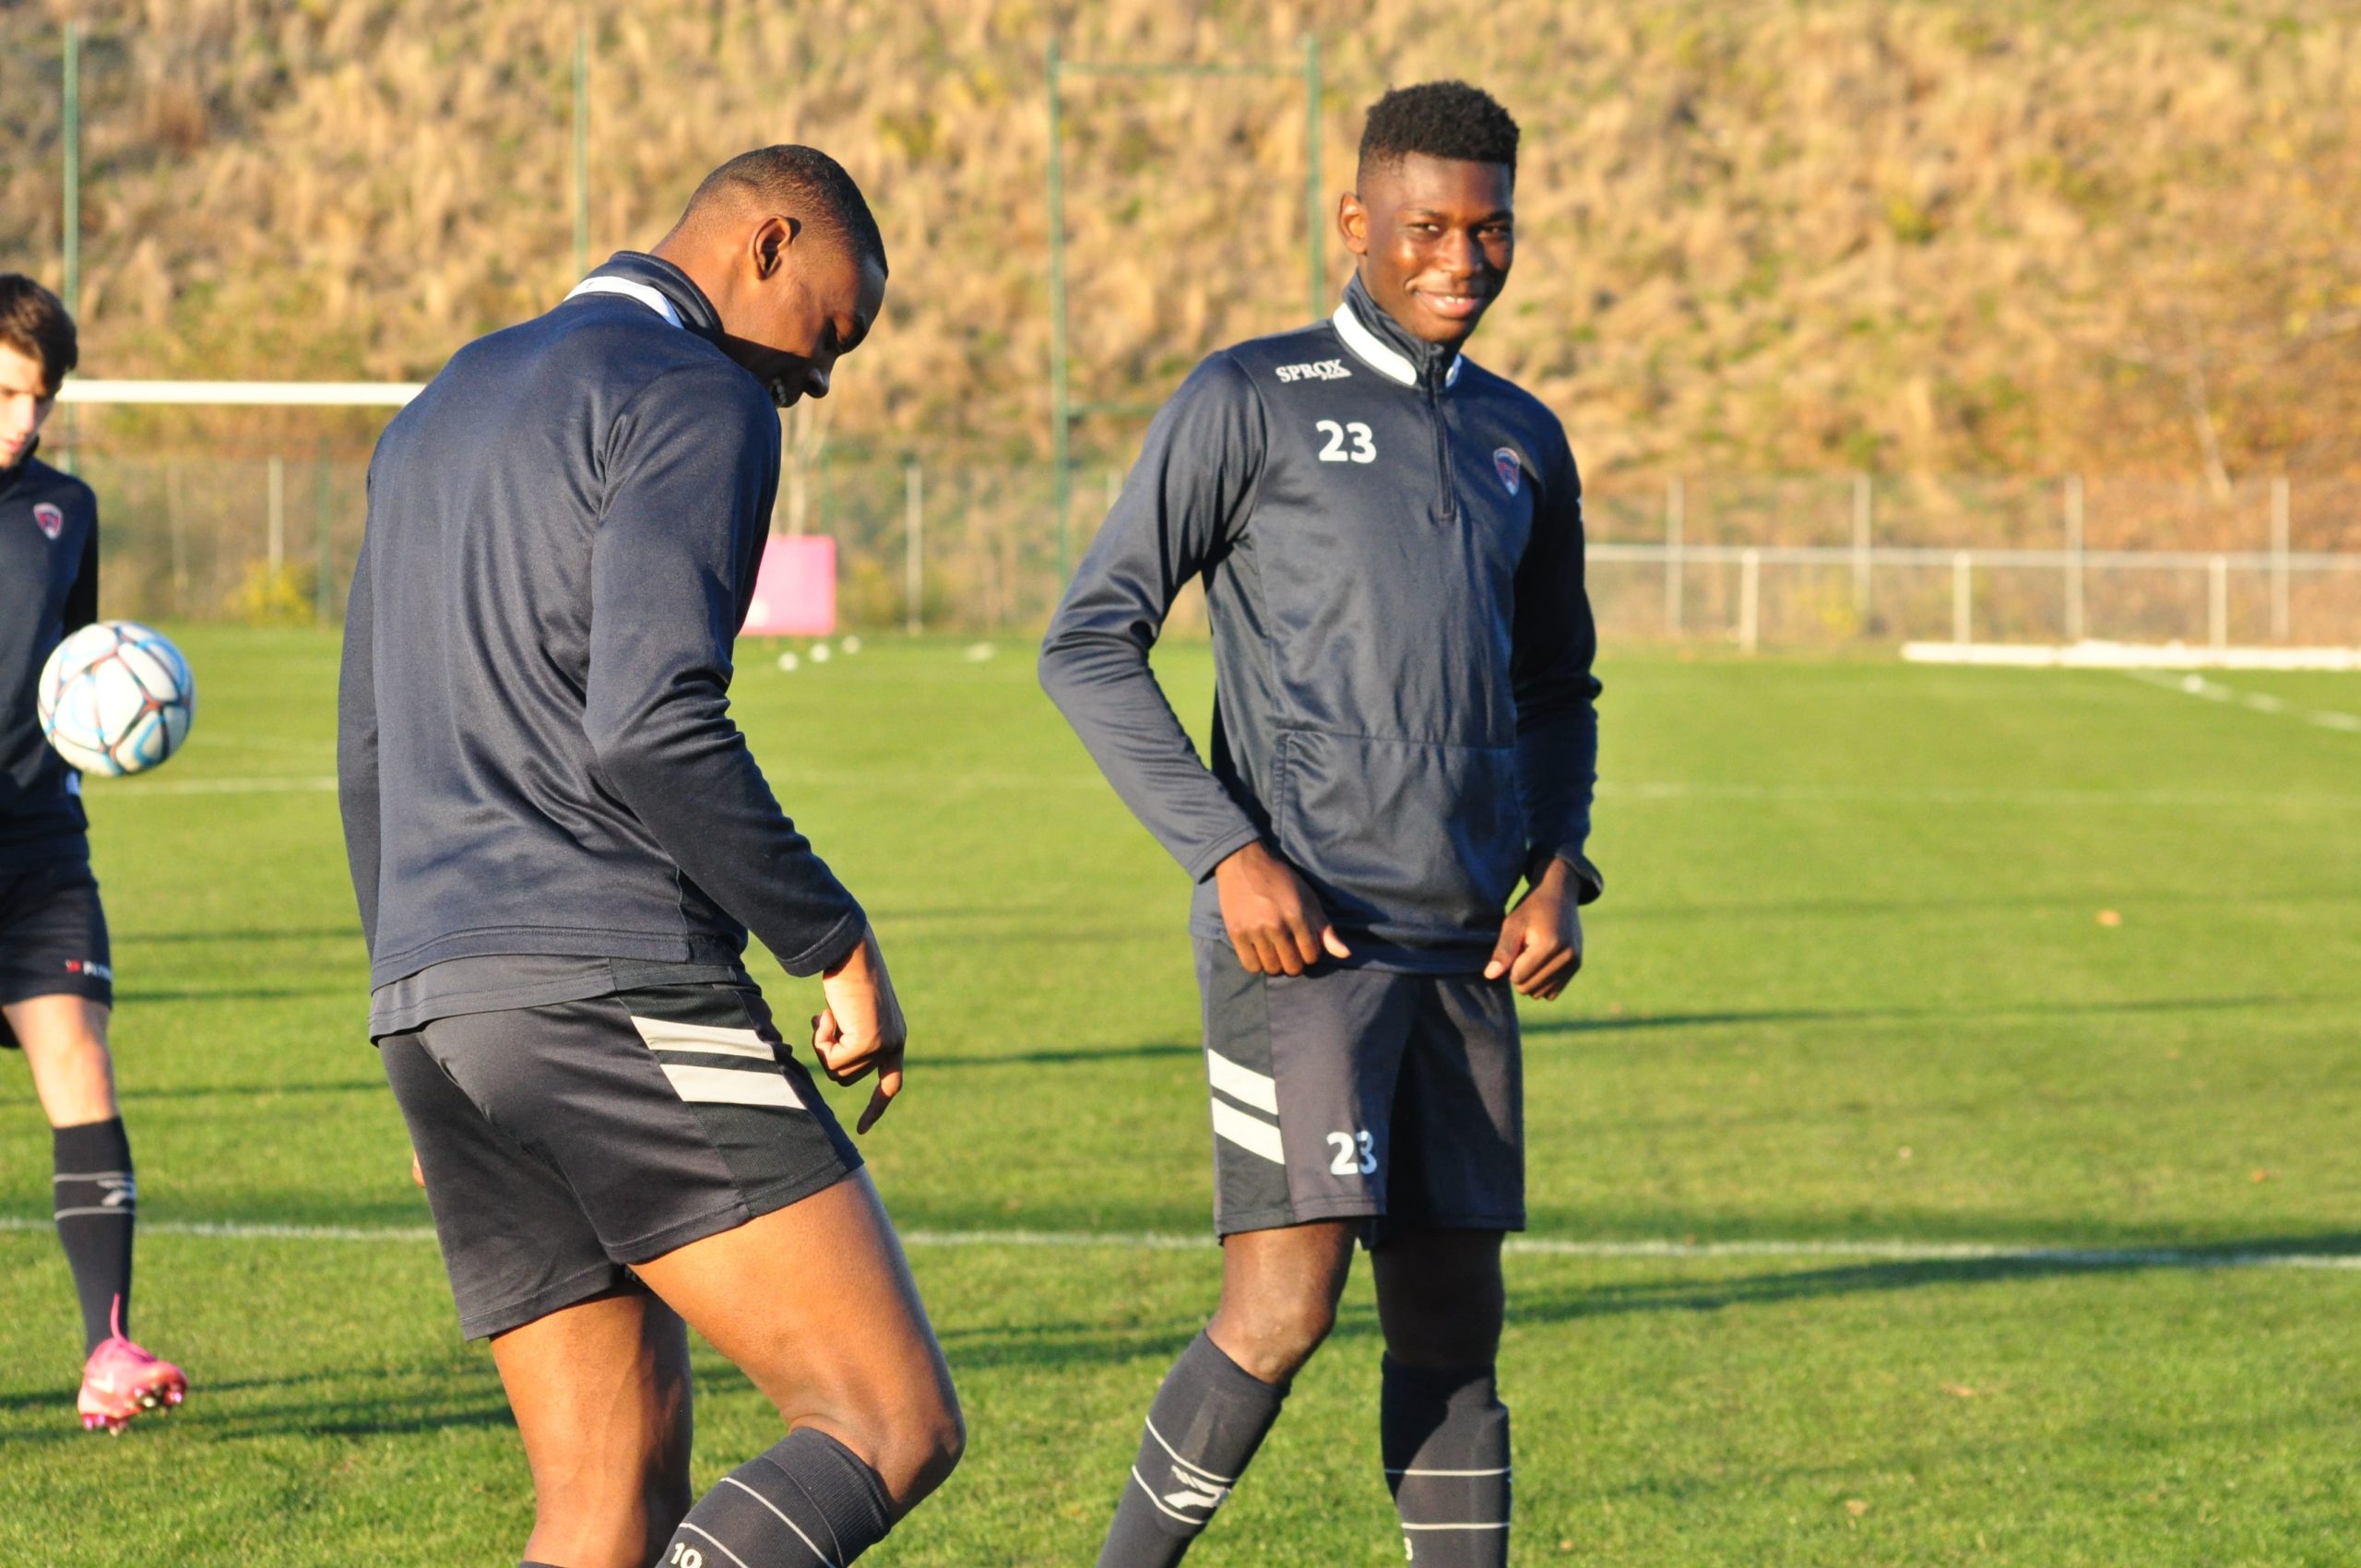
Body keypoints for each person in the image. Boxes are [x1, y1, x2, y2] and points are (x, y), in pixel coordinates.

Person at [338, 147, 961, 1568]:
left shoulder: (437, 408)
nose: (817, 381)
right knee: (884, 1420)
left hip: (436, 1006)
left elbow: (370, 755)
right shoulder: (698, 394)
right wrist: (836, 940)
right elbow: (650, 728)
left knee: (606, 1500)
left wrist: (411, 1012)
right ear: (768, 243)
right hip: (609, 978)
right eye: (829, 332)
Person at [1040, 82, 1600, 1567]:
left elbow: (1557, 690)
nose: (1460, 263)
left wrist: (1555, 868)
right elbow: (1090, 638)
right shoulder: (1250, 399)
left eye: (1490, 232)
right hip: (1306, 948)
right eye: (1426, 228)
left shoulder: (1523, 439)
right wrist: (1229, 855)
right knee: (1282, 1312)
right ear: (1357, 221)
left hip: (1470, 954)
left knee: (1453, 1334)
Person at [0, 273, 190, 1435]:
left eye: (39, 398)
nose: (21, 420)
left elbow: (82, 674)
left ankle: (107, 1347)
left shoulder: (65, 508)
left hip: (39, 849)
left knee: (78, 1060)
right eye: (5, 391)